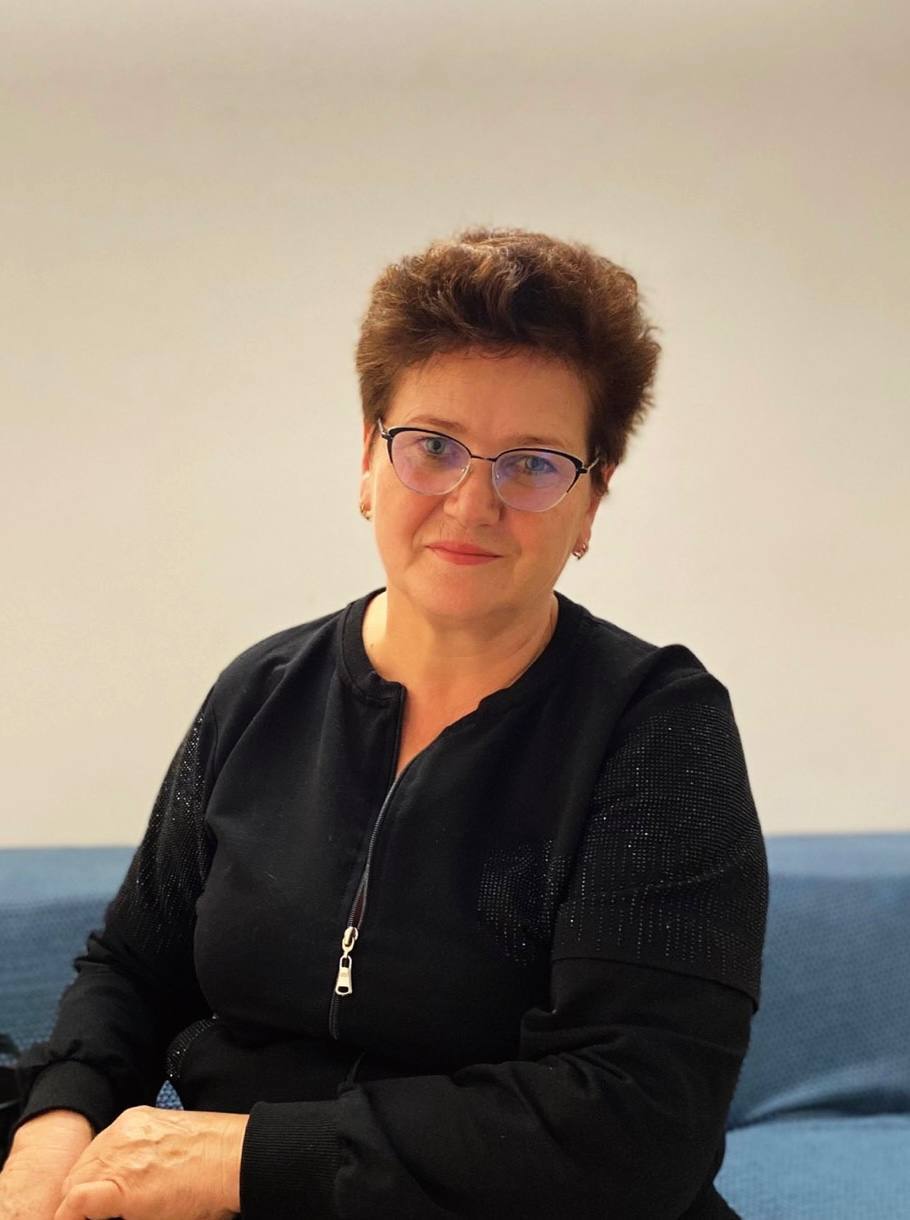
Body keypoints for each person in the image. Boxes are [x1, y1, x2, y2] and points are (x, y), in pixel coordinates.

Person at [0, 226, 768, 1220]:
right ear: (369, 459)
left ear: (590, 502)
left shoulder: (657, 729)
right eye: (433, 447)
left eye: (533, 464)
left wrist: (239, 1156)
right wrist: (54, 1127)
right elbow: (134, 969)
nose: (472, 502)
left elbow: (638, 1122)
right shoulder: (260, 691)